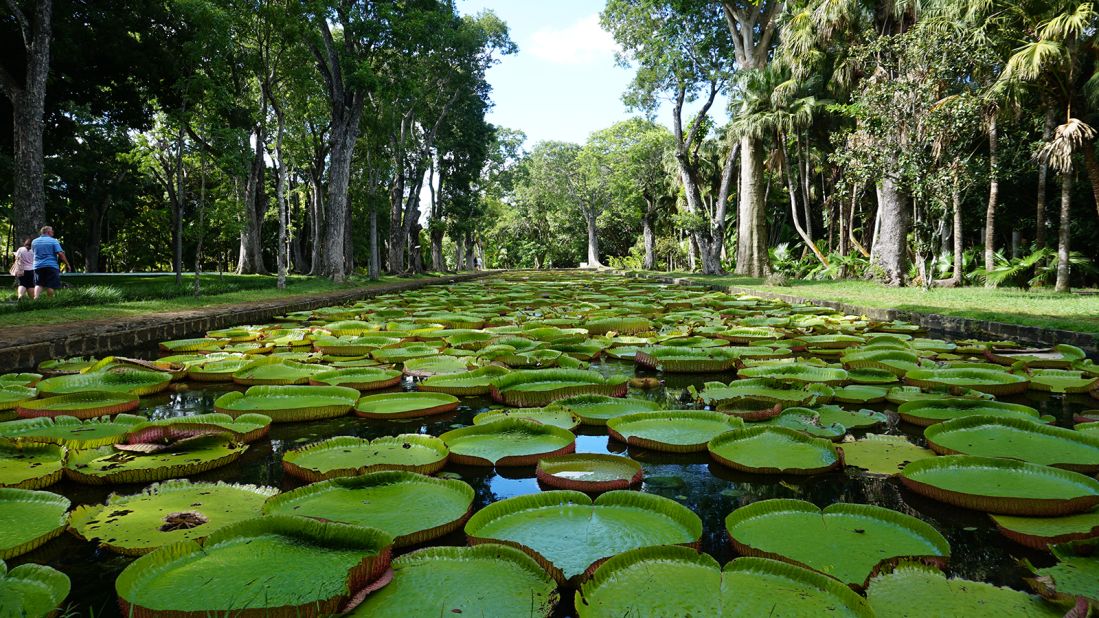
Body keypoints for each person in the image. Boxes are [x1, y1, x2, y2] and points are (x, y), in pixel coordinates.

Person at [31, 226, 71, 299]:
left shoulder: (34, 241)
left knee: (38, 284)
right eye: (52, 231)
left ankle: (36, 299)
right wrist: (67, 264)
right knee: (51, 285)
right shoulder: (53, 241)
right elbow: (61, 254)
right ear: (48, 232)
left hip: (38, 266)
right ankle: (50, 301)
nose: (53, 232)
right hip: (51, 266)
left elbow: (33, 253)